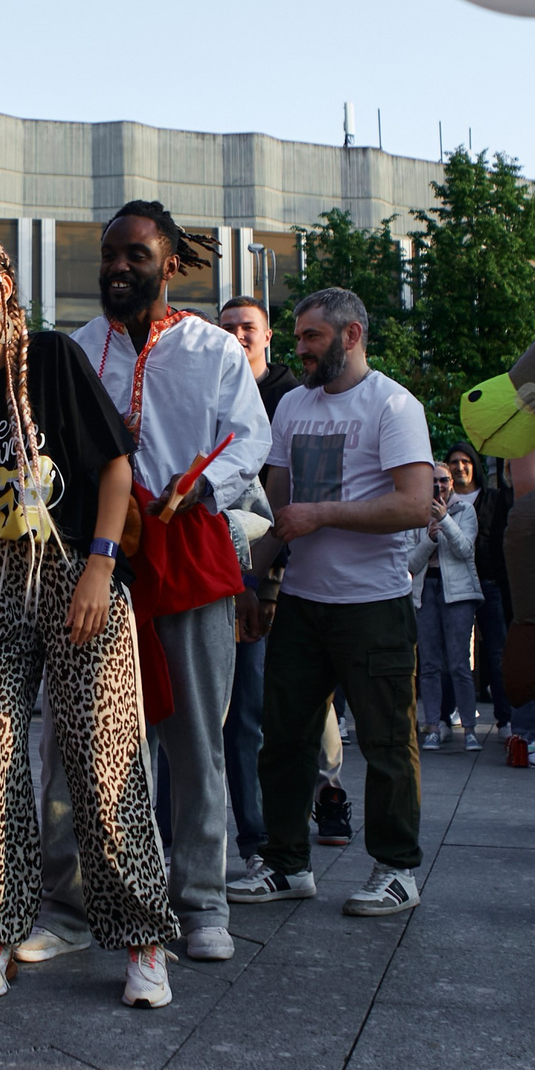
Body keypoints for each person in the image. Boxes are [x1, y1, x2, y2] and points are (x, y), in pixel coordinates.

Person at [0, 232, 178, 1008]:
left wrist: (100, 566)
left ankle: (144, 939)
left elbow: (115, 465)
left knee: (100, 752)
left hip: (76, 561)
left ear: (3, 285)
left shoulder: (48, 358)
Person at [50, 205, 267, 965]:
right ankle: (83, 901)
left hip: (189, 548)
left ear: (169, 263)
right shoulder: (75, 350)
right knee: (91, 740)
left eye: (135, 254)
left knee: (197, 739)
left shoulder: (212, 349)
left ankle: (203, 900)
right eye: (109, 254)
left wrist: (203, 483)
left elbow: (248, 437)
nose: (117, 266)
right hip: (100, 559)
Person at [227, 286, 440, 919]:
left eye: (312, 337)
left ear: (351, 335)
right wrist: (251, 581)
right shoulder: (291, 405)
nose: (301, 349)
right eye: (297, 337)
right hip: (301, 601)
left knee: (386, 741)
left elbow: (412, 503)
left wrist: (323, 514)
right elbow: (276, 507)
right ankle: (287, 864)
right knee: (284, 739)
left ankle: (397, 869)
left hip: (374, 603)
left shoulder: (395, 406)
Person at [214, 295, 293, 862]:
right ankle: (173, 840)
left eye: (249, 328)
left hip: (263, 572)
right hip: (203, 573)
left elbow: (273, 507)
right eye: (229, 329)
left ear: (268, 337)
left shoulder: (291, 400)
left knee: (252, 713)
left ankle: (259, 835)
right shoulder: (203, 392)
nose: (238, 337)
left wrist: (263, 584)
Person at [409, 461, 481, 752]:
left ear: (452, 483)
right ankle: (433, 727)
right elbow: (411, 563)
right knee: (428, 665)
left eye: (444, 481)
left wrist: (445, 521)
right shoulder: (416, 514)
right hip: (426, 592)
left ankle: (471, 730)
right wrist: (429, 537)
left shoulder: (466, 511)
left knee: (459, 664)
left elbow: (465, 549)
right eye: (434, 481)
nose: (439, 486)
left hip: (459, 594)